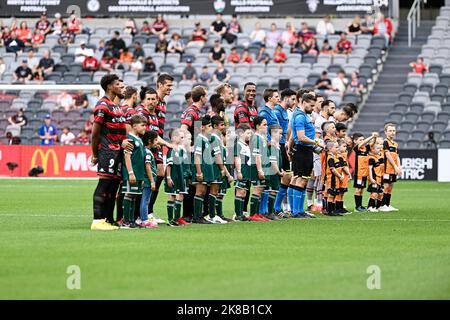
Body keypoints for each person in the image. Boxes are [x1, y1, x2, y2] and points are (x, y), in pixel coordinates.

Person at [90, 74, 131, 231]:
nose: (121, 87)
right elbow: (95, 134)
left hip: (118, 151)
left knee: (113, 187)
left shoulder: (116, 107)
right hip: (107, 151)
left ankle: (108, 219)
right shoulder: (102, 105)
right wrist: (95, 154)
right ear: (109, 87)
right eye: (117, 84)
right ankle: (97, 220)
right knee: (104, 185)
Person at [289, 93, 324, 218]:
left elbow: (293, 136)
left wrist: (289, 149)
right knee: (301, 180)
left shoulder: (302, 115)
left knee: (297, 179)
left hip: (303, 150)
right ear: (303, 102)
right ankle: (297, 211)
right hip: (303, 151)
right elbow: (300, 137)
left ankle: (296, 210)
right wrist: (316, 142)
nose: (313, 108)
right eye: (311, 105)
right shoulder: (300, 117)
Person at [120, 114, 148, 229]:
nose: (144, 128)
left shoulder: (139, 140)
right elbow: (127, 156)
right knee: (129, 194)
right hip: (131, 173)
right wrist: (130, 173)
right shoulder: (130, 139)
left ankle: (131, 220)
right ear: (134, 126)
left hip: (139, 173)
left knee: (134, 196)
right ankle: (126, 221)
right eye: (142, 125)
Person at [273, 89, 296, 217]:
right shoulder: (276, 111)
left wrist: (287, 144)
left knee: (287, 175)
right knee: (279, 176)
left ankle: (277, 207)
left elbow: (286, 131)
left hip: (282, 145)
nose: (294, 102)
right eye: (292, 99)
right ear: (285, 98)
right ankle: (275, 207)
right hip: (276, 145)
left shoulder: (285, 112)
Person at [206, 116, 233, 224]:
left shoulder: (218, 138)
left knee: (218, 192)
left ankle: (218, 214)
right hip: (216, 168)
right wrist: (225, 172)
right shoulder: (214, 138)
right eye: (221, 125)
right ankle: (212, 215)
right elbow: (217, 156)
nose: (223, 127)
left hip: (219, 167)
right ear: (215, 126)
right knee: (214, 191)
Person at [191, 115, 215, 224]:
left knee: (203, 191)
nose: (211, 128)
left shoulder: (206, 139)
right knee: (200, 191)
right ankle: (197, 216)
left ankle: (199, 215)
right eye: (209, 126)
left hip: (206, 169)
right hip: (201, 169)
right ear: (202, 127)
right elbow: (197, 156)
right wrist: (199, 172)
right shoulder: (200, 139)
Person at [248, 116, 270, 221]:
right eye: (264, 125)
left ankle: (257, 213)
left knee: (260, 189)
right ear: (257, 126)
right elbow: (257, 156)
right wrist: (260, 169)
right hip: (256, 167)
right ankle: (253, 214)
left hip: (262, 166)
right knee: (257, 189)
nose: (266, 127)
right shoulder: (256, 138)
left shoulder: (261, 138)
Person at [164, 129, 188, 227]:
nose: (182, 139)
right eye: (180, 137)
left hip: (180, 176)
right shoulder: (171, 149)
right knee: (172, 195)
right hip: (173, 176)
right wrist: (169, 177)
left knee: (179, 195)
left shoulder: (181, 150)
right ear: (173, 137)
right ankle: (170, 220)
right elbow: (169, 165)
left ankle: (176, 219)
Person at [352, 132, 378, 212]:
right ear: (355, 141)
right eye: (360, 140)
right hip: (358, 173)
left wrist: (375, 138)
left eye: (363, 139)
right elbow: (363, 143)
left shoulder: (365, 148)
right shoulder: (357, 148)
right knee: (358, 190)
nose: (363, 141)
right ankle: (357, 207)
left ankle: (360, 206)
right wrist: (371, 136)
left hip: (364, 173)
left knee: (362, 190)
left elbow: (372, 144)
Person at [379, 123, 401, 212]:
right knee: (386, 186)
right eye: (390, 131)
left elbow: (397, 155)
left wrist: (399, 166)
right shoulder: (385, 142)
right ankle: (382, 205)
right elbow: (387, 154)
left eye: (393, 131)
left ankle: (387, 204)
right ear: (385, 132)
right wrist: (395, 166)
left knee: (391, 186)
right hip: (386, 168)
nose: (392, 132)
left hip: (393, 169)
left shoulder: (395, 144)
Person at [139, 130, 159, 228]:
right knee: (145, 201)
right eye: (155, 140)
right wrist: (152, 181)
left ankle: (142, 218)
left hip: (145, 180)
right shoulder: (147, 153)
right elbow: (148, 167)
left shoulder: (145, 150)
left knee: (144, 200)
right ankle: (145, 220)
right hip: (147, 181)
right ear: (150, 141)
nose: (157, 142)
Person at [234, 123, 252, 221]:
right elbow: (237, 159)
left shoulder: (246, 145)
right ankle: (238, 214)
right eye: (248, 133)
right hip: (242, 171)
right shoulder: (238, 145)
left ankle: (241, 214)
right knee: (240, 191)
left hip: (247, 172)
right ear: (241, 133)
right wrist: (239, 171)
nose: (249, 135)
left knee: (244, 192)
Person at [367, 137, 384, 212]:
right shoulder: (371, 158)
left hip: (379, 178)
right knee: (374, 193)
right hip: (374, 178)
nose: (379, 150)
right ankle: (370, 207)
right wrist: (371, 178)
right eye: (377, 148)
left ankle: (378, 207)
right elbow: (370, 169)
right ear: (372, 149)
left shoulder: (376, 158)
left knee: (380, 193)